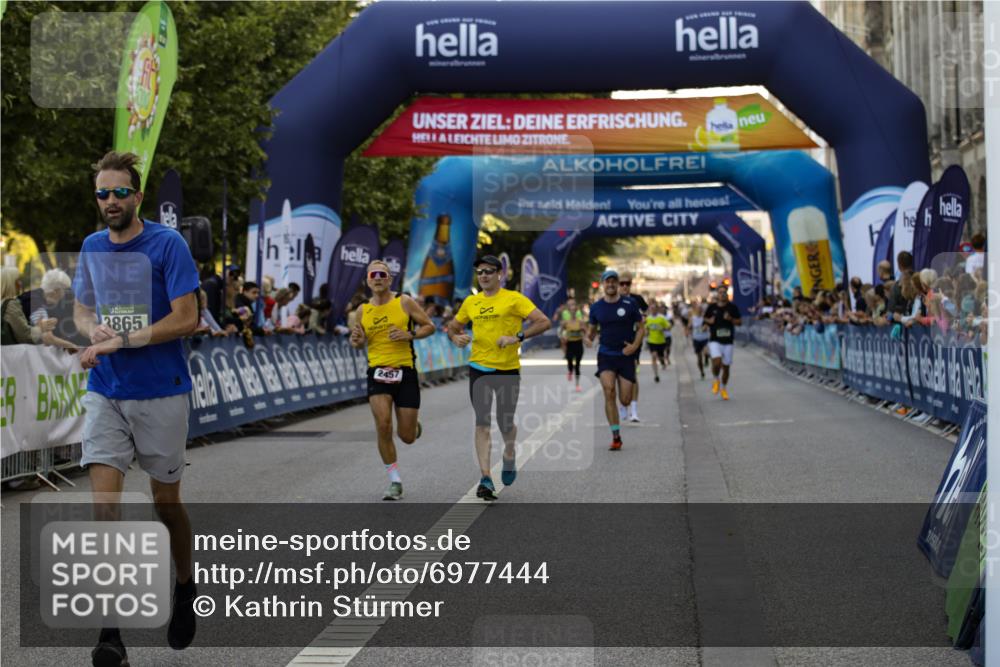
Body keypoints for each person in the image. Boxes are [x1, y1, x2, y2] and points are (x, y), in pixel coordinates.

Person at [72, 151, 201, 666]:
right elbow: (82, 309)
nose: (110, 201)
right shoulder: (91, 247)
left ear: (138, 196)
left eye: (119, 192)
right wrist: (93, 331)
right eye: (102, 193)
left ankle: (185, 586)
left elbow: (188, 318)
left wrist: (123, 339)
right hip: (106, 389)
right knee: (104, 510)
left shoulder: (168, 244)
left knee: (166, 505)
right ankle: (111, 634)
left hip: (162, 391)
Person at [447, 255, 550, 501]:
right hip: (479, 368)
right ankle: (485, 478)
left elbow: (543, 322)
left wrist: (517, 337)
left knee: (505, 422)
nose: (483, 275)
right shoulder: (471, 302)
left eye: (489, 271)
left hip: (507, 369)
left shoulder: (514, 299)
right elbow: (453, 326)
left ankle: (510, 453)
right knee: (482, 422)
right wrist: (455, 337)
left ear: (499, 274)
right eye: (480, 272)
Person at [350, 260, 435, 501]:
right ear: (367, 281)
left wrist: (409, 334)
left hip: (405, 371)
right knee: (384, 425)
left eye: (382, 274)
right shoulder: (362, 310)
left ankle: (413, 426)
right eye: (373, 275)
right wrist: (356, 340)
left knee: (406, 436)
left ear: (389, 279)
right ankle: (395, 481)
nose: (377, 278)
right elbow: (358, 342)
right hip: (377, 372)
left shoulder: (404, 302)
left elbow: (429, 326)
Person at [585, 270, 644, 451]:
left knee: (625, 399)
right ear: (603, 284)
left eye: (613, 281)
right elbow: (591, 331)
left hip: (625, 355)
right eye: (607, 281)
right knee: (609, 391)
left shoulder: (630, 304)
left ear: (617, 284)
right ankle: (616, 436)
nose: (610, 284)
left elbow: (641, 328)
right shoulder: (596, 307)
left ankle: (624, 407)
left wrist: (634, 346)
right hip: (606, 354)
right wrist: (587, 338)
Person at [19, 267, 87, 346]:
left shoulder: (35, 296)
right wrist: (72, 346)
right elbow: (47, 338)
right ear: (56, 291)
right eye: (64, 290)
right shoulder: (35, 303)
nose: (64, 294)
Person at [617, 271, 648, 422]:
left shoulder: (637, 299)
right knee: (618, 375)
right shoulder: (613, 299)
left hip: (634, 341)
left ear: (631, 284)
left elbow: (646, 316)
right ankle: (623, 405)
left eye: (627, 283)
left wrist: (642, 320)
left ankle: (634, 410)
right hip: (617, 341)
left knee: (632, 374)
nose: (624, 286)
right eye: (621, 283)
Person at [1, 267, 58, 345]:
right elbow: (25, 335)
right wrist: (41, 328)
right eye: (17, 281)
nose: (20, 284)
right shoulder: (11, 304)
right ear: (10, 283)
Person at [703, 287, 742, 400]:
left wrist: (730, 319)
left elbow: (739, 322)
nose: (722, 294)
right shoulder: (712, 307)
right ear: (717, 295)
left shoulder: (732, 307)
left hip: (728, 341)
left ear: (727, 294)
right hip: (715, 340)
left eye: (724, 292)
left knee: (726, 368)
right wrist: (709, 321)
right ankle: (716, 379)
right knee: (717, 361)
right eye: (720, 293)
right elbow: (705, 319)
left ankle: (723, 388)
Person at [559, 297, 586, 391]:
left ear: (576, 310)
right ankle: (570, 371)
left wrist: (583, 333)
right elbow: (560, 332)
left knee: (578, 365)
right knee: (570, 361)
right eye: (571, 308)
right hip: (570, 344)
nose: (573, 311)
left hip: (579, 344)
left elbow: (585, 331)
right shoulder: (565, 322)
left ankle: (577, 385)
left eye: (574, 308)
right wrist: (563, 337)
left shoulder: (580, 321)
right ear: (569, 310)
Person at [644, 302, 670, 382]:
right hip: (652, 341)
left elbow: (668, 326)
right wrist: (646, 332)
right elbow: (645, 328)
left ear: (657, 309)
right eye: (651, 308)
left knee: (660, 357)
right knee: (654, 356)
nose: (653, 310)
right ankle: (656, 375)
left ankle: (662, 362)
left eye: (654, 308)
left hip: (661, 341)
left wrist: (663, 329)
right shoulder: (648, 319)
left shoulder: (661, 318)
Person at [688, 301, 711, 379]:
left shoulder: (705, 318)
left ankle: (706, 359)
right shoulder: (693, 318)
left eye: (701, 310)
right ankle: (702, 372)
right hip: (696, 339)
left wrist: (706, 327)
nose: (700, 311)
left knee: (705, 351)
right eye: (698, 310)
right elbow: (689, 326)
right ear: (696, 310)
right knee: (699, 358)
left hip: (705, 338)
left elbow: (708, 325)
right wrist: (689, 328)